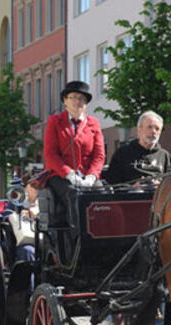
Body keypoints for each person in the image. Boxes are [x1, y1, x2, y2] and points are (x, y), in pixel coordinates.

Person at [43, 80, 105, 228]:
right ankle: (78, 240)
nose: (78, 102)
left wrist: (91, 176)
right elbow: (50, 154)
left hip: (87, 175)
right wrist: (69, 174)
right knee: (75, 195)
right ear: (65, 101)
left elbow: (99, 155)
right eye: (74, 97)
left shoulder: (93, 123)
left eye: (82, 99)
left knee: (102, 195)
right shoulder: (55, 121)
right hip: (61, 175)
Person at [105, 110, 171, 185]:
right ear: (139, 129)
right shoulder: (123, 153)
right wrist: (132, 187)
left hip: (158, 195)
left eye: (157, 129)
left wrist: (160, 185)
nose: (153, 132)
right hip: (131, 195)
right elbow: (112, 182)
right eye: (149, 127)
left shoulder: (165, 156)